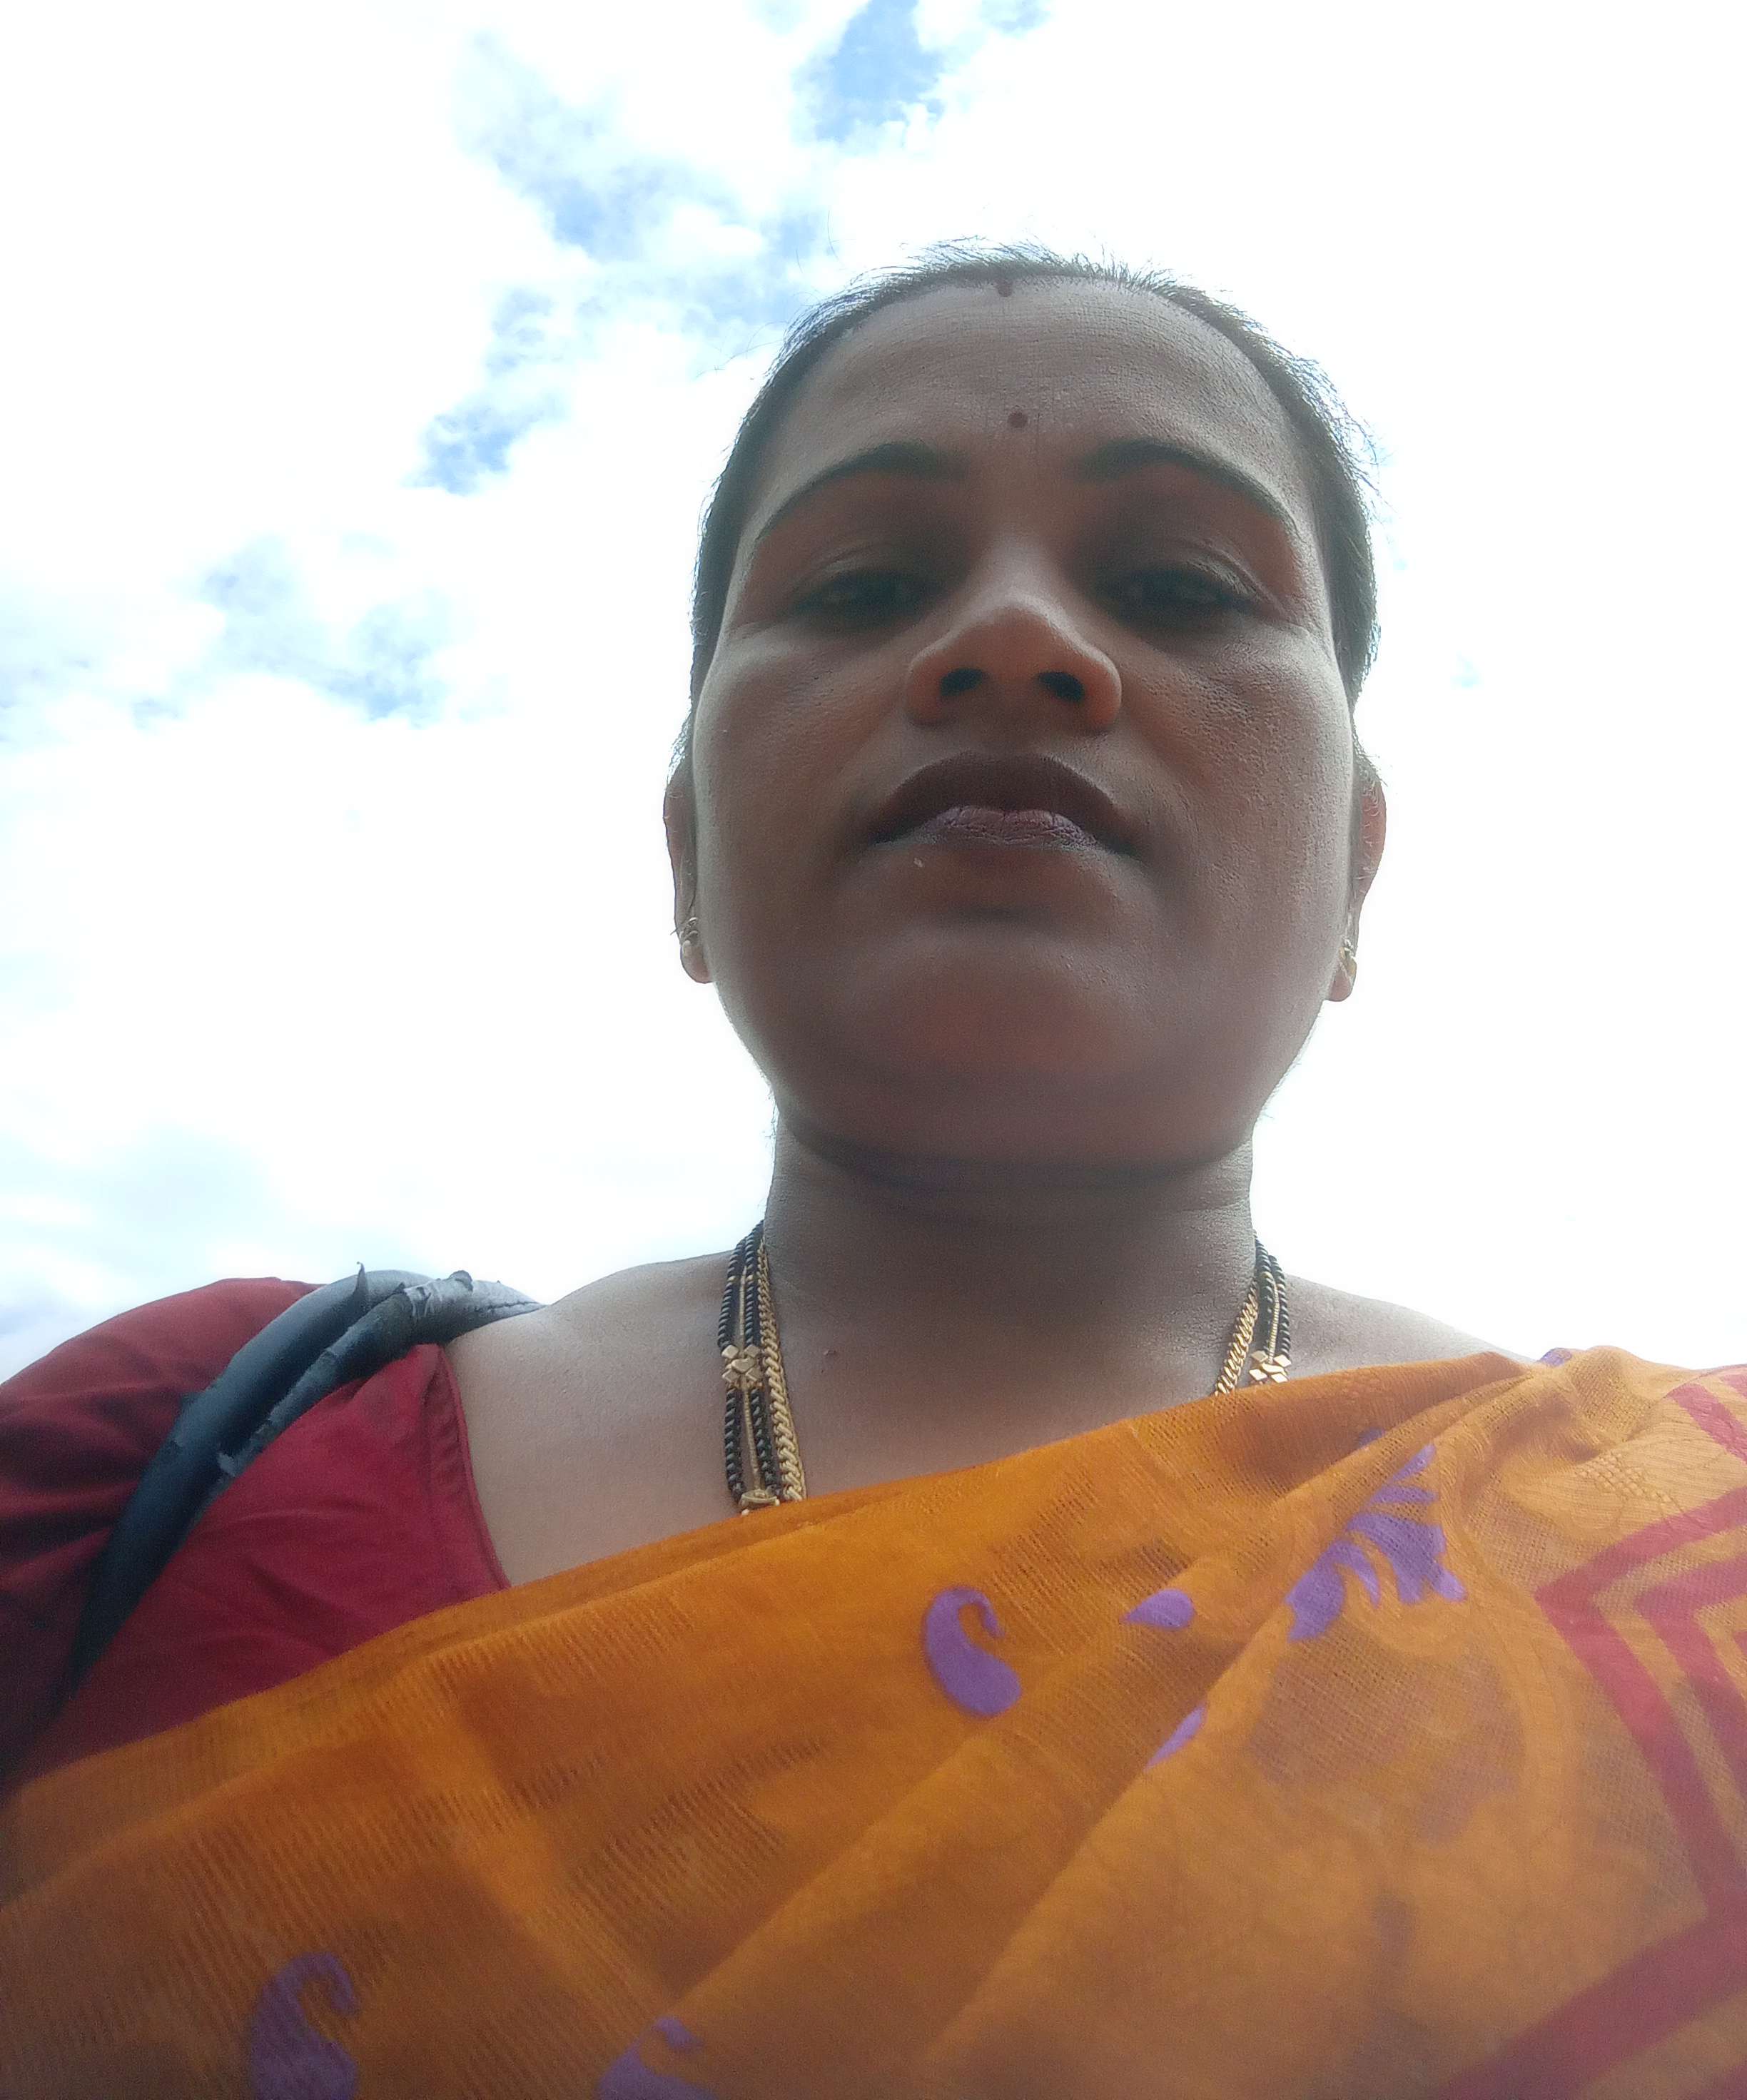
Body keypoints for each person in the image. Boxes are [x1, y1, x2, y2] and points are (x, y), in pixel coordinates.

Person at [1, 248, 1741, 2098]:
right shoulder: (175, 1448)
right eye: (861, 585)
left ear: (1357, 874)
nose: (1014, 637)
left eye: (1179, 585)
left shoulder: (1665, 1547)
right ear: (687, 853)